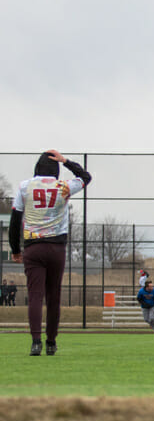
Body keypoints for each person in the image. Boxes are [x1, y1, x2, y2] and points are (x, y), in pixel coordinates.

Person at [9, 150, 92, 356]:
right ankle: (51, 342)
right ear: (55, 168)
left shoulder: (25, 186)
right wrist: (66, 161)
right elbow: (86, 177)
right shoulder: (63, 186)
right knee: (54, 296)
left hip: (33, 247)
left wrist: (15, 249)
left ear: (37, 168)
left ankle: (36, 342)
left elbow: (14, 220)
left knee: (35, 295)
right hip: (56, 248)